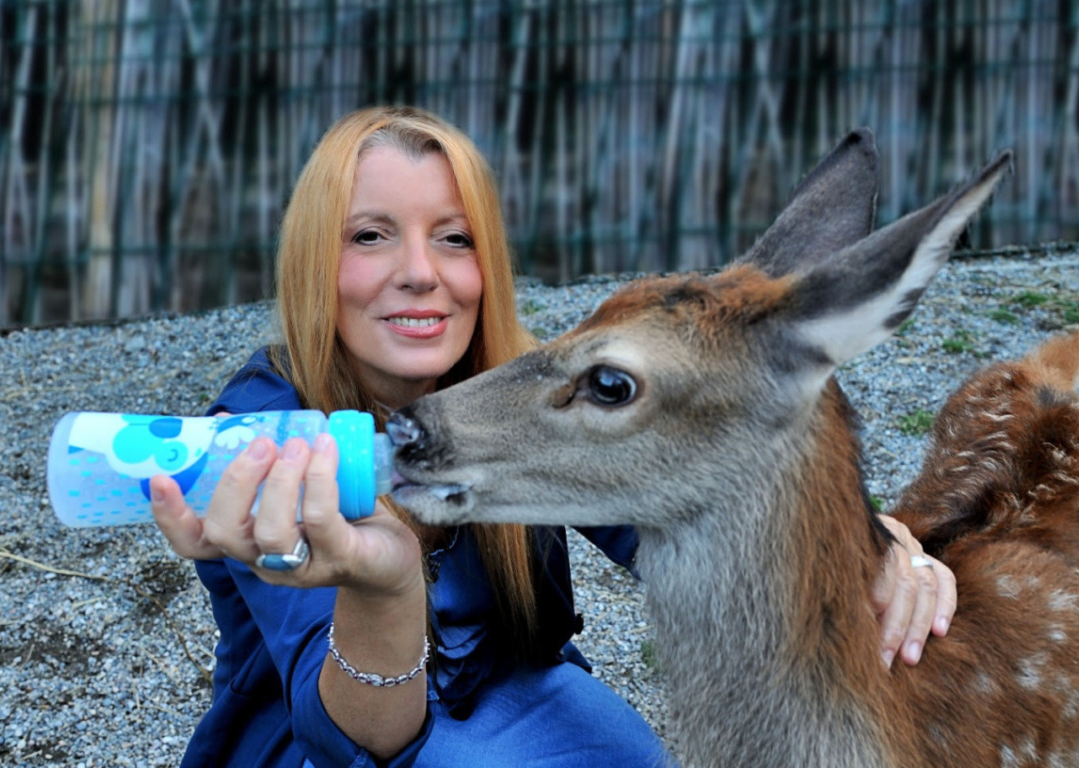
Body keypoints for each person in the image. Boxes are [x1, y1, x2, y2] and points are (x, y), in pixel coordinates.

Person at [150, 105, 957, 767]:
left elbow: (691, 501)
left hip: (514, 687)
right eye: (370, 236)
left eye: (454, 237)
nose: (420, 272)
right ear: (311, 262)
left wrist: (879, 549)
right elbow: (362, 741)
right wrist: (385, 585)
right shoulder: (259, 437)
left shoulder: (521, 383)